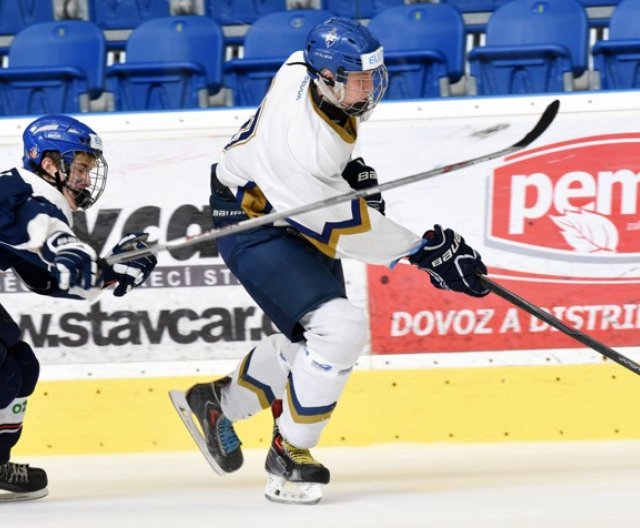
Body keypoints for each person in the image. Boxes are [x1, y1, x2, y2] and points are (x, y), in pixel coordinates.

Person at [181, 17, 489, 504]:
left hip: (286, 205)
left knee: (311, 341)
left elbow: (334, 160)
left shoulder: (306, 68)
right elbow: (341, 228)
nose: (368, 89)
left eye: (372, 77)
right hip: (255, 222)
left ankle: (216, 402)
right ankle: (290, 453)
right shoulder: (296, 151)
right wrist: (425, 251)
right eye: (358, 80)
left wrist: (353, 172)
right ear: (326, 79)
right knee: (339, 329)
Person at [0, 115, 157, 501]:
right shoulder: (22, 195)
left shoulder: (32, 197)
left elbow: (49, 279)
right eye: (82, 167)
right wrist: (71, 250)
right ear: (51, 164)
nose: (86, 178)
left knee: (20, 367)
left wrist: (108, 271)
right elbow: (42, 230)